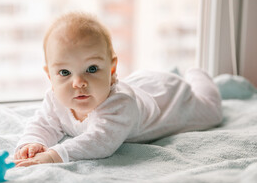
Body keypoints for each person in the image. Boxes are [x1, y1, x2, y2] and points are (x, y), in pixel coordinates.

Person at [13, 12, 223, 167]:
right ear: (50, 76)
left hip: (169, 97)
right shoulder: (55, 99)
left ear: (112, 69)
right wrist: (33, 143)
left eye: (92, 69)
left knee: (211, 112)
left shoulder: (120, 104)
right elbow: (43, 123)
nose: (78, 83)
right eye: (65, 73)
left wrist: (53, 155)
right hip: (140, 85)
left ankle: (197, 74)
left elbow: (100, 141)